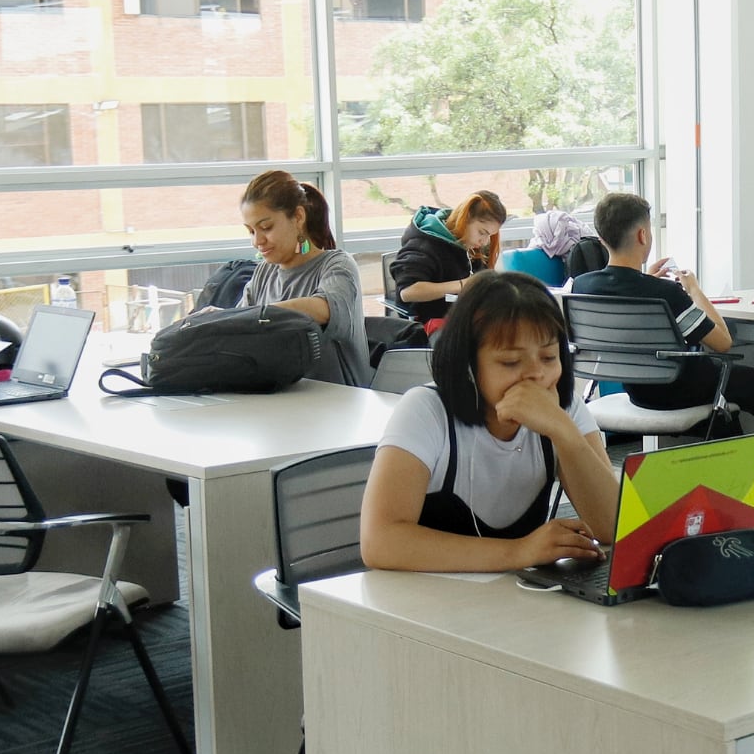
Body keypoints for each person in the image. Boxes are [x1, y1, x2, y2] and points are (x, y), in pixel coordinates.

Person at [359, 272, 618, 574]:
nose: (536, 374)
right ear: (467, 364)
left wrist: (565, 434)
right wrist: (520, 551)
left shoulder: (564, 408)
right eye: (510, 362)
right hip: (424, 605)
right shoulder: (426, 411)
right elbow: (379, 541)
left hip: (514, 605)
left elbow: (614, 527)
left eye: (549, 357)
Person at [572, 191, 754, 459]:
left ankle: (737, 469)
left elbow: (625, 289)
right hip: (683, 389)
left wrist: (644, 280)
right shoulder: (665, 293)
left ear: (601, 238)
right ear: (642, 236)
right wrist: (694, 290)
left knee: (725, 421)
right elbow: (722, 342)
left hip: (637, 391)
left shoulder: (583, 285)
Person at [238, 170, 367, 386]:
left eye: (266, 227)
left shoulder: (337, 265)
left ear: (298, 217)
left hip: (339, 406)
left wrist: (256, 315)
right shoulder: (263, 273)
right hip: (278, 401)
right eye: (251, 231)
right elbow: (239, 326)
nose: (257, 240)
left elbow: (323, 309)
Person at [390, 190, 509, 335]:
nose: (484, 241)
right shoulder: (423, 246)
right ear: (465, 218)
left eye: (489, 235)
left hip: (466, 318)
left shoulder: (472, 246)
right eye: (482, 232)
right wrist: (463, 285)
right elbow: (408, 292)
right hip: (431, 325)